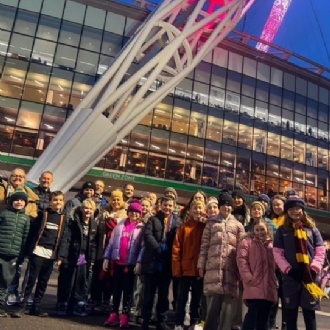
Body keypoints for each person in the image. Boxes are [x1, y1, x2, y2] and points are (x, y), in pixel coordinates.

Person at [273, 191, 326, 330]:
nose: (294, 211)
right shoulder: (282, 230)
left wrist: (314, 269)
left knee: (309, 314)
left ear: (303, 210)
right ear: (287, 211)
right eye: (291, 209)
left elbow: (320, 250)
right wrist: (288, 270)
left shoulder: (312, 229)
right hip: (291, 278)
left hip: (310, 278)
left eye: (297, 208)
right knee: (290, 314)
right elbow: (277, 253)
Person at [13, 191, 66, 318]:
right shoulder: (43, 215)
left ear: (63, 202)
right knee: (30, 280)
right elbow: (33, 233)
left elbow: (64, 238)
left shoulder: (64, 219)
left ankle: (36, 307)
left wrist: (60, 256)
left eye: (60, 200)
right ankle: (22, 306)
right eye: (55, 200)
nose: (57, 202)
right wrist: (29, 250)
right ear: (50, 202)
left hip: (51, 254)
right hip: (38, 251)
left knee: (43, 282)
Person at [197, 192, 245, 330]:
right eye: (224, 205)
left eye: (229, 205)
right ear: (219, 206)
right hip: (213, 269)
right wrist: (201, 265)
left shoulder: (238, 225)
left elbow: (242, 250)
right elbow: (204, 245)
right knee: (212, 310)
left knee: (227, 311)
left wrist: (241, 270)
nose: (226, 207)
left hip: (231, 271)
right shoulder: (211, 223)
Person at [140, 196, 181, 330]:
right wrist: (158, 248)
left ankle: (161, 320)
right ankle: (145, 319)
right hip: (152, 261)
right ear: (160, 205)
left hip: (167, 264)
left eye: (170, 205)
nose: (167, 208)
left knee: (163, 295)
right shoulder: (153, 219)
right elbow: (147, 236)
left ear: (174, 206)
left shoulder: (177, 222)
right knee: (149, 294)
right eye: (165, 205)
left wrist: (169, 252)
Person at [103, 200, 144, 328]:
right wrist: (106, 258)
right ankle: (114, 313)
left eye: (137, 212)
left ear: (140, 214)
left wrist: (139, 262)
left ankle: (125, 315)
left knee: (127, 291)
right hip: (118, 263)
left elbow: (143, 247)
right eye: (132, 211)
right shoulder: (120, 224)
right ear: (128, 212)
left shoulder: (141, 228)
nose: (134, 214)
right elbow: (111, 243)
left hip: (130, 265)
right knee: (116, 289)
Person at [1, 168, 39, 306]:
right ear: (10, 178)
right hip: (3, 236)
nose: (17, 178)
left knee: (15, 268)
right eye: (15, 176)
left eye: (21, 177)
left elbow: (34, 216)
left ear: (25, 180)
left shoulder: (31, 197)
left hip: (18, 239)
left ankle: (11, 292)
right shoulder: (2, 190)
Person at [57, 198, 98, 317]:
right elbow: (66, 239)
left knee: (79, 281)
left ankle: (76, 305)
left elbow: (94, 243)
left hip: (83, 257)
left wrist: (93, 259)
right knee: (68, 279)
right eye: (86, 208)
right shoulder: (73, 221)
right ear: (81, 208)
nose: (88, 211)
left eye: (90, 209)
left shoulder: (94, 224)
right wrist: (61, 256)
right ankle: (63, 304)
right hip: (71, 255)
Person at [237, 219, 277, 330]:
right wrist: (248, 277)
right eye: (257, 230)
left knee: (264, 319)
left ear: (267, 229)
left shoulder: (272, 245)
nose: (260, 232)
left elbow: (276, 264)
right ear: (253, 231)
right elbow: (242, 260)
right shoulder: (247, 242)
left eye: (262, 229)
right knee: (251, 316)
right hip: (254, 284)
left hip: (269, 285)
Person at [172, 200, 206, 330]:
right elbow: (176, 249)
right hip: (185, 268)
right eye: (195, 208)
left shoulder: (205, 227)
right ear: (190, 210)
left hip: (199, 269)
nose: (197, 211)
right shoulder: (183, 228)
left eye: (200, 208)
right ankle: (178, 322)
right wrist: (177, 268)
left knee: (197, 298)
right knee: (182, 297)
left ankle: (194, 322)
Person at [0, 191, 30, 317]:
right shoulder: (4, 214)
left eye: (22, 200)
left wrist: (21, 257)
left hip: (13, 255)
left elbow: (25, 239)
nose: (19, 202)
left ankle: (0, 305)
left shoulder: (26, 219)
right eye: (16, 200)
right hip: (0, 251)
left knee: (5, 281)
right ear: (11, 201)